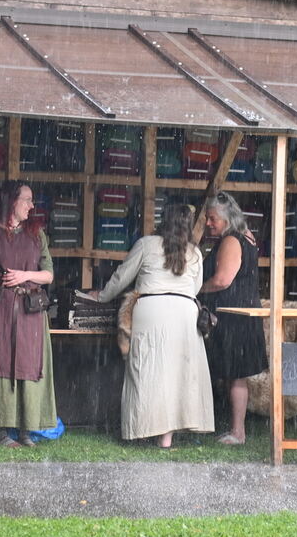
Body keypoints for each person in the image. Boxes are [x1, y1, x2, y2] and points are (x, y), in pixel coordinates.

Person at [90, 203, 213, 448]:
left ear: (162, 219)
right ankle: (166, 438)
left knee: (148, 373)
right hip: (184, 312)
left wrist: (102, 296)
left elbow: (122, 277)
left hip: (151, 310)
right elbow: (196, 288)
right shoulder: (195, 253)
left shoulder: (146, 244)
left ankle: (144, 427)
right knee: (178, 376)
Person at [0, 181, 57, 447]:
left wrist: (25, 275)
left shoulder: (36, 233)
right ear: (11, 201)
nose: (32, 206)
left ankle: (25, 429)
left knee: (29, 364)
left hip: (30, 308)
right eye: (27, 200)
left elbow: (49, 273)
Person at [199, 190, 267, 445]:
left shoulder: (231, 241)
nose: (208, 223)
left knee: (236, 376)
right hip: (242, 314)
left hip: (234, 317)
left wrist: (195, 288)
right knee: (235, 375)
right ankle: (234, 429)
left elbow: (222, 280)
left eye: (212, 218)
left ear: (227, 219)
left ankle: (238, 433)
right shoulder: (248, 238)